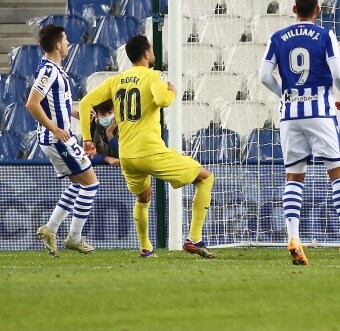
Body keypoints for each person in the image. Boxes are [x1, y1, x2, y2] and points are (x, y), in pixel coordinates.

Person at [80, 35, 215, 259]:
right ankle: (194, 238)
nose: (153, 53)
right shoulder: (155, 75)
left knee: (143, 197)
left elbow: (85, 103)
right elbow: (163, 101)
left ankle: (145, 248)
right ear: (146, 54)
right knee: (206, 178)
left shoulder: (116, 80)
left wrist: (87, 139)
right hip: (151, 151)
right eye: (151, 50)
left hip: (127, 156)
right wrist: (171, 90)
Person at [258, 0, 340, 266]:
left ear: (293, 9)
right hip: (320, 112)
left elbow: (264, 75)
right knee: (337, 172)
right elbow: (336, 72)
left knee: (294, 177)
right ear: (318, 10)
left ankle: (293, 238)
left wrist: (283, 93)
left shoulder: (277, 37)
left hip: (289, 115)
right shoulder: (326, 35)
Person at [28, 24, 100, 256]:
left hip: (55, 137)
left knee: (79, 184)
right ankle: (74, 238)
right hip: (57, 138)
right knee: (91, 184)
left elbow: (53, 103)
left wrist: (74, 112)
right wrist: (57, 130)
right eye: (66, 39)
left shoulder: (53, 68)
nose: (68, 43)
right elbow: (32, 104)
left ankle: (50, 229)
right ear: (58, 44)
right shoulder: (49, 71)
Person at [87, 99, 120, 168]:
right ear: (97, 116)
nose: (107, 116)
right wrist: (106, 159)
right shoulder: (92, 129)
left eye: (110, 113)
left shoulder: (124, 128)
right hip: (100, 172)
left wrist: (110, 134)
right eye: (102, 114)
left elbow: (124, 155)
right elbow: (84, 157)